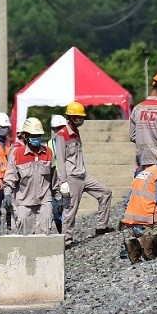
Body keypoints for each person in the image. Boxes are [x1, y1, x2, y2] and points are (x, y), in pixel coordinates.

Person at [52, 102, 113, 249]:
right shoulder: (62, 135)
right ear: (70, 117)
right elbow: (60, 159)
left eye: (81, 117)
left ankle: (101, 226)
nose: (80, 120)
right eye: (77, 117)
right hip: (72, 178)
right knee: (70, 210)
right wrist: (63, 182)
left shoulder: (76, 132)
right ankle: (66, 241)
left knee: (105, 193)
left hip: (83, 175)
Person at [3, 117, 60, 235]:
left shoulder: (48, 153)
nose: (36, 138)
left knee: (46, 235)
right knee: (24, 236)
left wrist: (59, 199)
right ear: (26, 136)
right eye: (33, 135)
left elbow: (54, 178)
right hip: (24, 203)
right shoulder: (17, 154)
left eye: (38, 135)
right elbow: (10, 177)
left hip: (44, 201)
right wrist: (7, 193)